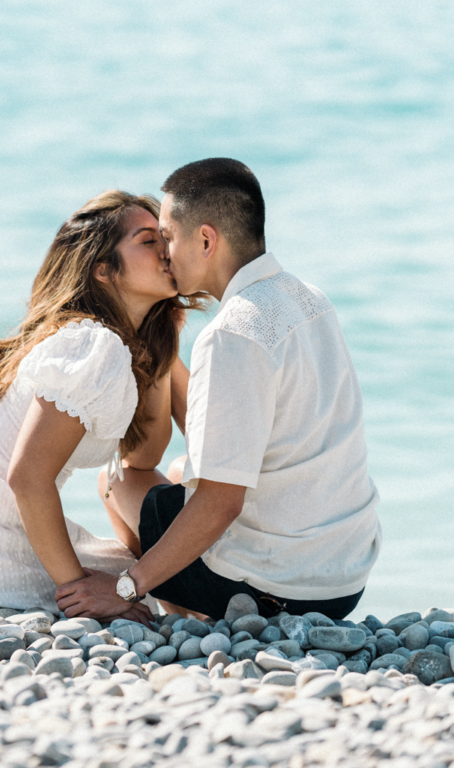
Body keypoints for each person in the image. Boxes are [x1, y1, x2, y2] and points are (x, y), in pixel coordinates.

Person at [61, 158, 381, 621]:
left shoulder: (233, 333)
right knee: (178, 468)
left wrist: (126, 587)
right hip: (344, 579)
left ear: (206, 240)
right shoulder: (310, 299)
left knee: (119, 481)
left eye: (167, 237)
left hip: (279, 592)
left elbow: (221, 503)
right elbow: (220, 447)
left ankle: (175, 610)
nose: (164, 254)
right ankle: (184, 605)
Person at [0, 190, 196, 620]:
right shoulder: (92, 344)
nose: (168, 250)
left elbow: (143, 456)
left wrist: (162, 344)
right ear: (102, 269)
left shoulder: (86, 340)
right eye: (148, 241)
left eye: (165, 238)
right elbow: (29, 477)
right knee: (162, 581)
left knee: (144, 575)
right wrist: (80, 592)